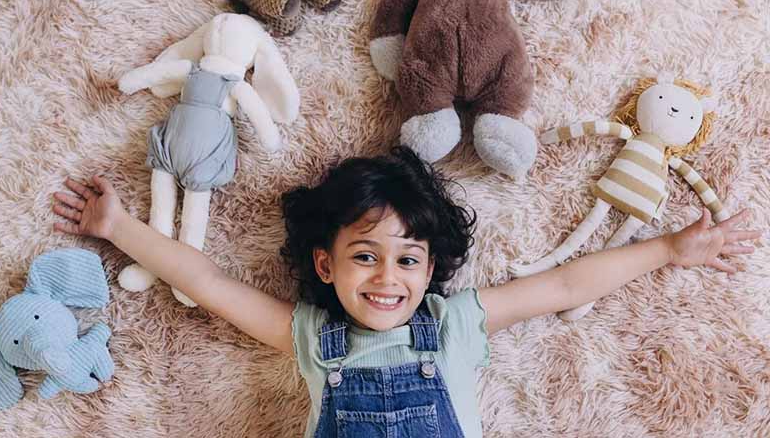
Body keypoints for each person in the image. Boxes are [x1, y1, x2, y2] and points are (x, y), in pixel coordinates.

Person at [52, 147, 759, 438]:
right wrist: (119, 226)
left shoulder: (452, 322)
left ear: (429, 270)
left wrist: (670, 247)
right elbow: (206, 281)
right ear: (326, 266)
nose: (388, 278)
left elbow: (567, 282)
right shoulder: (309, 335)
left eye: (407, 259)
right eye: (366, 256)